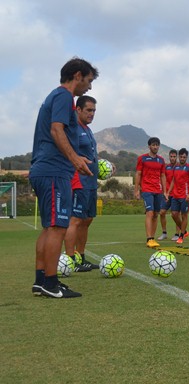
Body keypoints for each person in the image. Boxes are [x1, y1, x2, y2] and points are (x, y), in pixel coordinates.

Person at [30, 57, 98, 298]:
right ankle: (51, 283)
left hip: (45, 169)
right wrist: (75, 159)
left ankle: (41, 281)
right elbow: (56, 130)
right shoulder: (63, 96)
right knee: (58, 227)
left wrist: (76, 158)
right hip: (53, 171)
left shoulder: (55, 96)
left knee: (50, 228)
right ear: (78, 75)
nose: (89, 87)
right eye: (89, 81)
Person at [64, 95, 104, 272]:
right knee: (76, 220)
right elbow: (66, 151)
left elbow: (89, 154)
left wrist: (103, 164)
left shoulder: (87, 130)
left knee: (87, 220)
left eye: (94, 111)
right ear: (78, 110)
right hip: (78, 182)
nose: (92, 114)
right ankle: (70, 259)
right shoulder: (72, 129)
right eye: (88, 110)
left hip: (91, 183)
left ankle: (81, 258)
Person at [134, 137, 167, 248]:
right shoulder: (142, 159)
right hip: (147, 189)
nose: (155, 147)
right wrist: (137, 190)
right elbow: (138, 174)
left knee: (156, 214)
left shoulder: (161, 160)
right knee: (150, 212)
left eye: (157, 145)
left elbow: (163, 176)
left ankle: (152, 238)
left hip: (158, 190)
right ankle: (149, 238)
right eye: (153, 145)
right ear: (149, 146)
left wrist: (165, 191)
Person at [168, 148, 189, 244]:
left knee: (184, 215)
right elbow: (173, 180)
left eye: (184, 157)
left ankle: (181, 236)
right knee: (174, 214)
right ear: (179, 157)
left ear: (187, 157)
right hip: (175, 195)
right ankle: (185, 231)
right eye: (181, 157)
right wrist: (168, 192)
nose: (182, 158)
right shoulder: (175, 167)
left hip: (185, 196)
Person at [158, 149, 179, 241]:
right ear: (169, 157)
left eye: (174, 156)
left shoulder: (180, 167)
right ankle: (164, 233)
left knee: (176, 214)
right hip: (167, 194)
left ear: (176, 157)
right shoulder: (166, 167)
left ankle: (177, 234)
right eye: (171, 156)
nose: (172, 158)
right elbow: (163, 179)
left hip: (177, 194)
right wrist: (163, 191)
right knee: (162, 212)